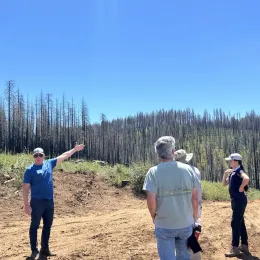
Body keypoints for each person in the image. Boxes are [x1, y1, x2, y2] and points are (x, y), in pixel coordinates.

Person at [23, 144, 85, 259]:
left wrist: (74, 150)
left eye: (40, 155)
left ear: (44, 156)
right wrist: (26, 205)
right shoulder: (29, 170)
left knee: (48, 225)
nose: (38, 157)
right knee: (34, 226)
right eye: (36, 155)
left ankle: (45, 249)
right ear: (33, 157)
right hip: (36, 202)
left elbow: (64, 156)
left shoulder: (49, 164)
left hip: (49, 202)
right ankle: (34, 251)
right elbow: (26, 188)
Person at [143, 136, 199, 260]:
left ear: (158, 153)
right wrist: (194, 217)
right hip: (186, 223)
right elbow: (195, 198)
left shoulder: (153, 172)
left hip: (164, 224)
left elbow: (151, 200)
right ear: (173, 152)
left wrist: (153, 216)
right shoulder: (189, 170)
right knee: (184, 255)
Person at [174, 149, 202, 260]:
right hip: (195, 208)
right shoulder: (195, 170)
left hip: (182, 210)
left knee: (183, 240)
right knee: (191, 236)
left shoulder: (175, 173)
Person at [222, 153, 250, 257]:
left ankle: (235, 248)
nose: (229, 162)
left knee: (235, 223)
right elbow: (224, 184)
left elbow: (246, 179)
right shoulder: (233, 172)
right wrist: (225, 174)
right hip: (236, 201)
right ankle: (244, 245)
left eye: (231, 160)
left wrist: (241, 188)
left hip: (239, 201)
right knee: (240, 222)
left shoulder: (239, 171)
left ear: (236, 161)